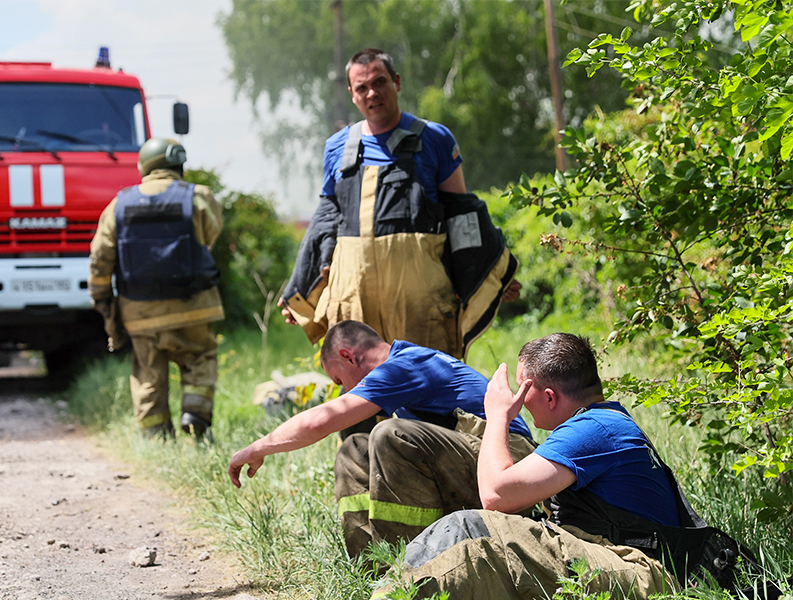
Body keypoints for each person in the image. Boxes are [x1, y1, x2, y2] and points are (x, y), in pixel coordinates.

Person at [376, 333, 750, 599]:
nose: (518, 401)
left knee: (471, 527)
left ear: (550, 396)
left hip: (642, 573)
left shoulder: (595, 429)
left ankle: (392, 595)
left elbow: (494, 496)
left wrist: (497, 418)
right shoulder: (600, 423)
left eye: (523, 391)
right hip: (618, 559)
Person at [280, 48, 520, 359]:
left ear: (397, 82)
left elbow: (462, 216)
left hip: (420, 306)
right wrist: (300, 290)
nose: (372, 93)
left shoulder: (435, 138)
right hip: (354, 303)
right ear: (352, 94)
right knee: (361, 398)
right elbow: (327, 218)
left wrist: (488, 274)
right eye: (362, 87)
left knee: (428, 395)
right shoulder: (336, 147)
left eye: (379, 82)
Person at [228, 320, 535, 558]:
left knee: (391, 434)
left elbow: (319, 421)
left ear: (348, 357)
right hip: (472, 465)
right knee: (354, 448)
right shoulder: (401, 369)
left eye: (339, 380)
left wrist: (258, 447)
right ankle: (376, 567)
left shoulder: (407, 364)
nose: (344, 391)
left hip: (510, 464)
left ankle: (416, 568)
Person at [88, 138, 223, 440]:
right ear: (179, 164)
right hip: (194, 307)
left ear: (145, 166)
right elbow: (210, 235)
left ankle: (156, 437)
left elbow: (100, 257)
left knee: (148, 373)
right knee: (200, 358)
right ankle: (196, 417)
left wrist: (101, 297)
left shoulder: (119, 204)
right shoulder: (200, 196)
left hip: (140, 311)